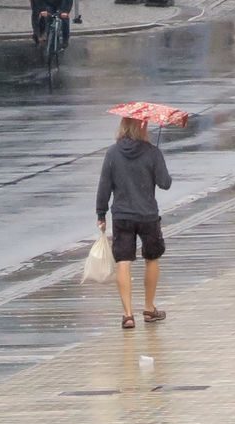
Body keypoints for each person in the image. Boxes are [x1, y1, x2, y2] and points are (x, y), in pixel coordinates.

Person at [95, 116, 172, 330]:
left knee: (123, 261)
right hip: (147, 215)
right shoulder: (152, 152)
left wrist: (101, 214)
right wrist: (157, 160)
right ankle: (148, 308)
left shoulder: (112, 153)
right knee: (152, 258)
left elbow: (104, 186)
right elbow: (165, 183)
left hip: (122, 216)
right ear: (143, 127)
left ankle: (128, 315)